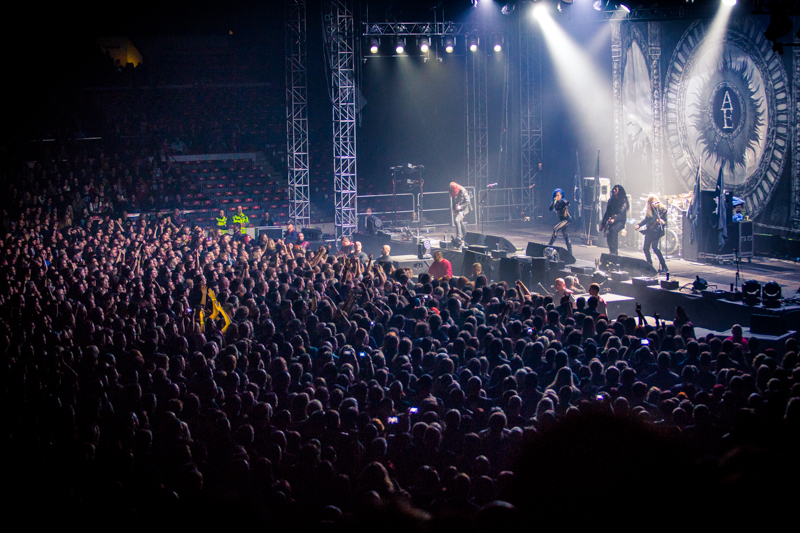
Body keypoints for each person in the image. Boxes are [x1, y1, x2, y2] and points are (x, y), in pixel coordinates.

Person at [635, 194, 669, 273]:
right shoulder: (649, 211)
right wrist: (639, 225)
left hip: (657, 232)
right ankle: (649, 265)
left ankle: (664, 266)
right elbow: (646, 220)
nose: (654, 205)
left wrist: (662, 222)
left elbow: (666, 222)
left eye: (655, 203)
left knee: (655, 248)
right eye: (652, 203)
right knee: (645, 248)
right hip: (650, 231)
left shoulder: (662, 210)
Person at [600, 184, 628, 255]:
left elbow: (621, 213)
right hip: (611, 221)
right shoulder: (611, 200)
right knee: (608, 233)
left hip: (620, 221)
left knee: (613, 230)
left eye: (616, 189)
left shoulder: (623, 201)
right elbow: (607, 212)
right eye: (614, 189)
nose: (614, 191)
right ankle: (611, 251)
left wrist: (614, 219)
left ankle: (614, 252)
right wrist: (603, 224)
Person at [548, 188, 572, 253]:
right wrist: (554, 201)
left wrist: (566, 205)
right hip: (562, 220)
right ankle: (570, 251)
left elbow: (567, 203)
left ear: (561, 196)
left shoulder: (562, 201)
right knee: (565, 234)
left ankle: (549, 245)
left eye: (558, 195)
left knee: (555, 228)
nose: (557, 197)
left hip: (566, 220)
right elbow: (550, 208)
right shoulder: (555, 203)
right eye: (556, 195)